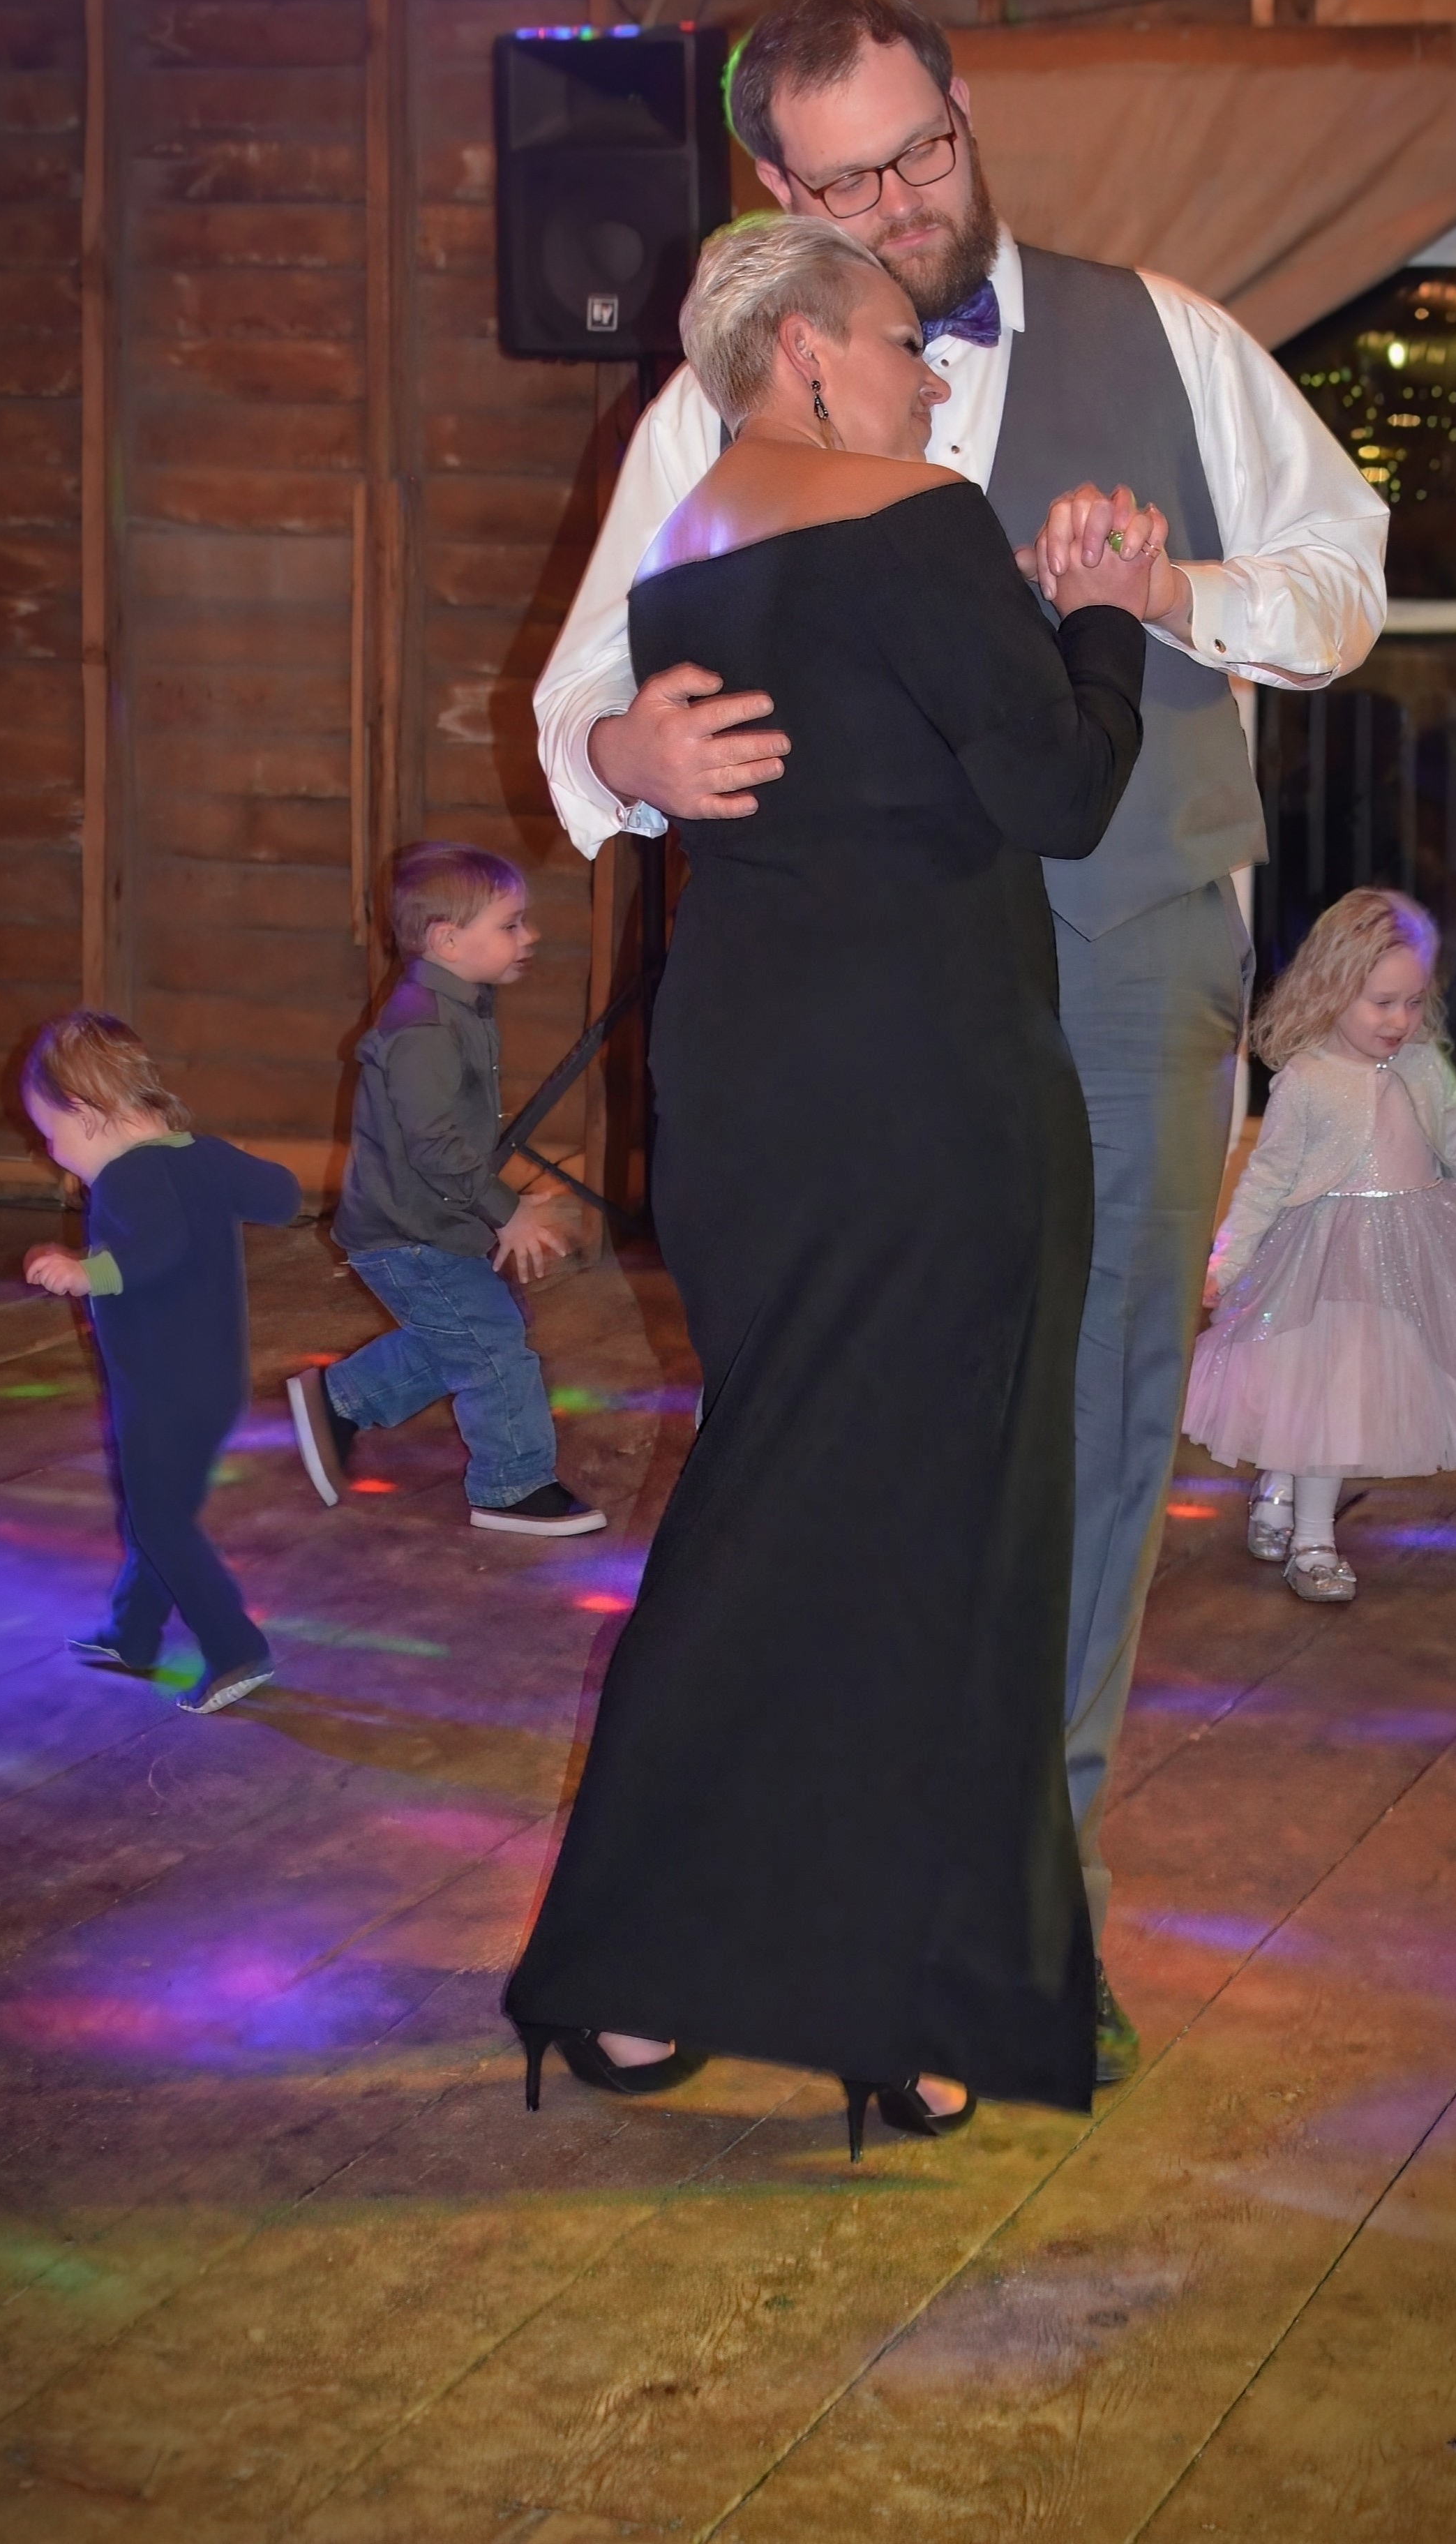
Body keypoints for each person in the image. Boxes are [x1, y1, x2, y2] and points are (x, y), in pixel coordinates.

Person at [533, 0, 1389, 2077]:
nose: (903, 200)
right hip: (854, 1022)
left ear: (964, 110)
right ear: (773, 187)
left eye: (922, 149)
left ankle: (1008, 1928)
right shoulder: (711, 407)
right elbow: (581, 697)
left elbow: (1338, 577)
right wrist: (625, 754)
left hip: (1116, 966)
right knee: (828, 1457)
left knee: (1075, 1455)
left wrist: (1165, 592)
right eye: (848, 181)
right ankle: (778, 1918)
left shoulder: (1165, 333)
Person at [505, 215, 1151, 2155]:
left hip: (743, 1079)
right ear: (801, 349)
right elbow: (1060, 793)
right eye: (897, 343)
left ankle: (639, 1969)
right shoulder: (917, 519)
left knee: (775, 1499)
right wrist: (1101, 614)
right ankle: (907, 1996)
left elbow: (838, 760)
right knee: (946, 1534)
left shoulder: (690, 547)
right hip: (924, 1085)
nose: (929, 379)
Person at [1185, 889, 1456, 1602]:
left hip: (1396, 1263)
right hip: (1316, 1263)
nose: (1400, 1021)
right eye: (1381, 1003)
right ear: (1330, 989)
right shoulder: (1307, 1080)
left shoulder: (1423, 1068)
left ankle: (1281, 1494)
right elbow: (1266, 1181)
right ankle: (1311, 1539)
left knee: (1338, 1393)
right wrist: (1226, 1262)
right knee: (1317, 1392)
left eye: (1412, 1002)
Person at [287, 842, 605, 1538]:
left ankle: (341, 1399)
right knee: (491, 1348)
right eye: (511, 924)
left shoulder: (457, 1006)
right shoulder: (425, 1028)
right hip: (406, 1233)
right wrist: (505, 1211)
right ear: (447, 941)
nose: (529, 936)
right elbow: (434, 1145)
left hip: (432, 1222)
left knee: (470, 1331)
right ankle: (512, 1485)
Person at [20, 1009, 301, 1714]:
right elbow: (283, 1195)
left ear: (85, 1112)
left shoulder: (127, 1178)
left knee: (159, 1520)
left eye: (51, 1134)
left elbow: (160, 1246)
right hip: (214, 1384)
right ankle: (133, 1633)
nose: (52, 1152)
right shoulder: (199, 1154)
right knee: (157, 1510)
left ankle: (234, 1647)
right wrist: (223, 1169)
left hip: (162, 1391)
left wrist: (87, 1272)